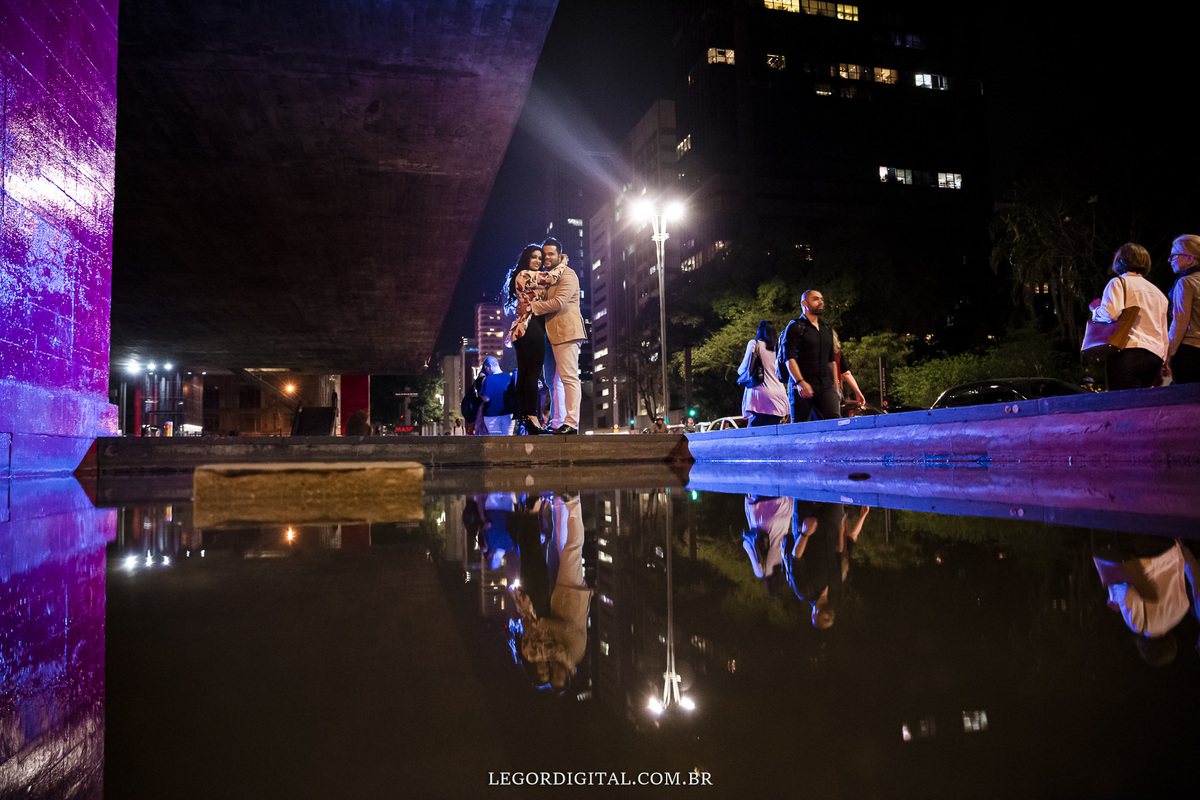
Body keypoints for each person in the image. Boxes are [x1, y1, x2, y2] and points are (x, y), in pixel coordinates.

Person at [502, 244, 566, 434]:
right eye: (534, 257)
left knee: (524, 374)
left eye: (540, 258)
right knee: (531, 374)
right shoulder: (526, 274)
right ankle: (531, 417)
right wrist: (562, 262)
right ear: (526, 259)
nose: (538, 261)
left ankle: (524, 415)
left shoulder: (524, 276)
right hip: (531, 327)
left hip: (522, 329)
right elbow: (552, 277)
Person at [1091, 243, 1169, 391]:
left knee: (1124, 406)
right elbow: (1163, 332)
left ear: (1120, 261)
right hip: (1154, 357)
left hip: (1128, 352)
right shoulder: (1158, 293)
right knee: (1144, 407)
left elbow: (1111, 313)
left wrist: (1096, 310)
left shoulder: (1118, 283)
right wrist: (1162, 363)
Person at [530, 237, 586, 435]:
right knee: (554, 382)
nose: (546, 257)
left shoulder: (568, 276)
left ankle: (572, 422)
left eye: (551, 254)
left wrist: (532, 307)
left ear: (559, 255)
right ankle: (557, 423)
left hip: (567, 333)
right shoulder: (549, 277)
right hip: (551, 336)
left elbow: (559, 303)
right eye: (544, 254)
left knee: (569, 378)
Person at [780, 289, 840, 422]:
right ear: (804, 303)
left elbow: (831, 361)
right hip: (801, 386)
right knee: (802, 429)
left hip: (825, 386)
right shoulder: (795, 327)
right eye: (816, 299)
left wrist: (836, 387)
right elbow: (789, 358)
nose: (821, 301)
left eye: (822, 299)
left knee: (835, 423)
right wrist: (800, 382)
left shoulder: (827, 329)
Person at [739, 320, 789, 426]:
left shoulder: (754, 344)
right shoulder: (779, 348)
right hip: (779, 396)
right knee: (773, 433)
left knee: (755, 435)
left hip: (760, 396)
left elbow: (743, 369)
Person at [1166, 234, 1200, 384]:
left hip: (1189, 354)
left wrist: (1167, 353)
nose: (1169, 260)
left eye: (1174, 255)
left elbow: (1180, 323)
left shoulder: (1186, 282)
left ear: (1190, 259)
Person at [477, 356, 514, 435]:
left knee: (495, 440)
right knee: (508, 438)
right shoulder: (509, 377)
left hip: (491, 415)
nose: (486, 371)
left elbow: (486, 399)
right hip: (508, 414)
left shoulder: (489, 379)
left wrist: (479, 395)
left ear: (489, 366)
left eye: (486, 368)